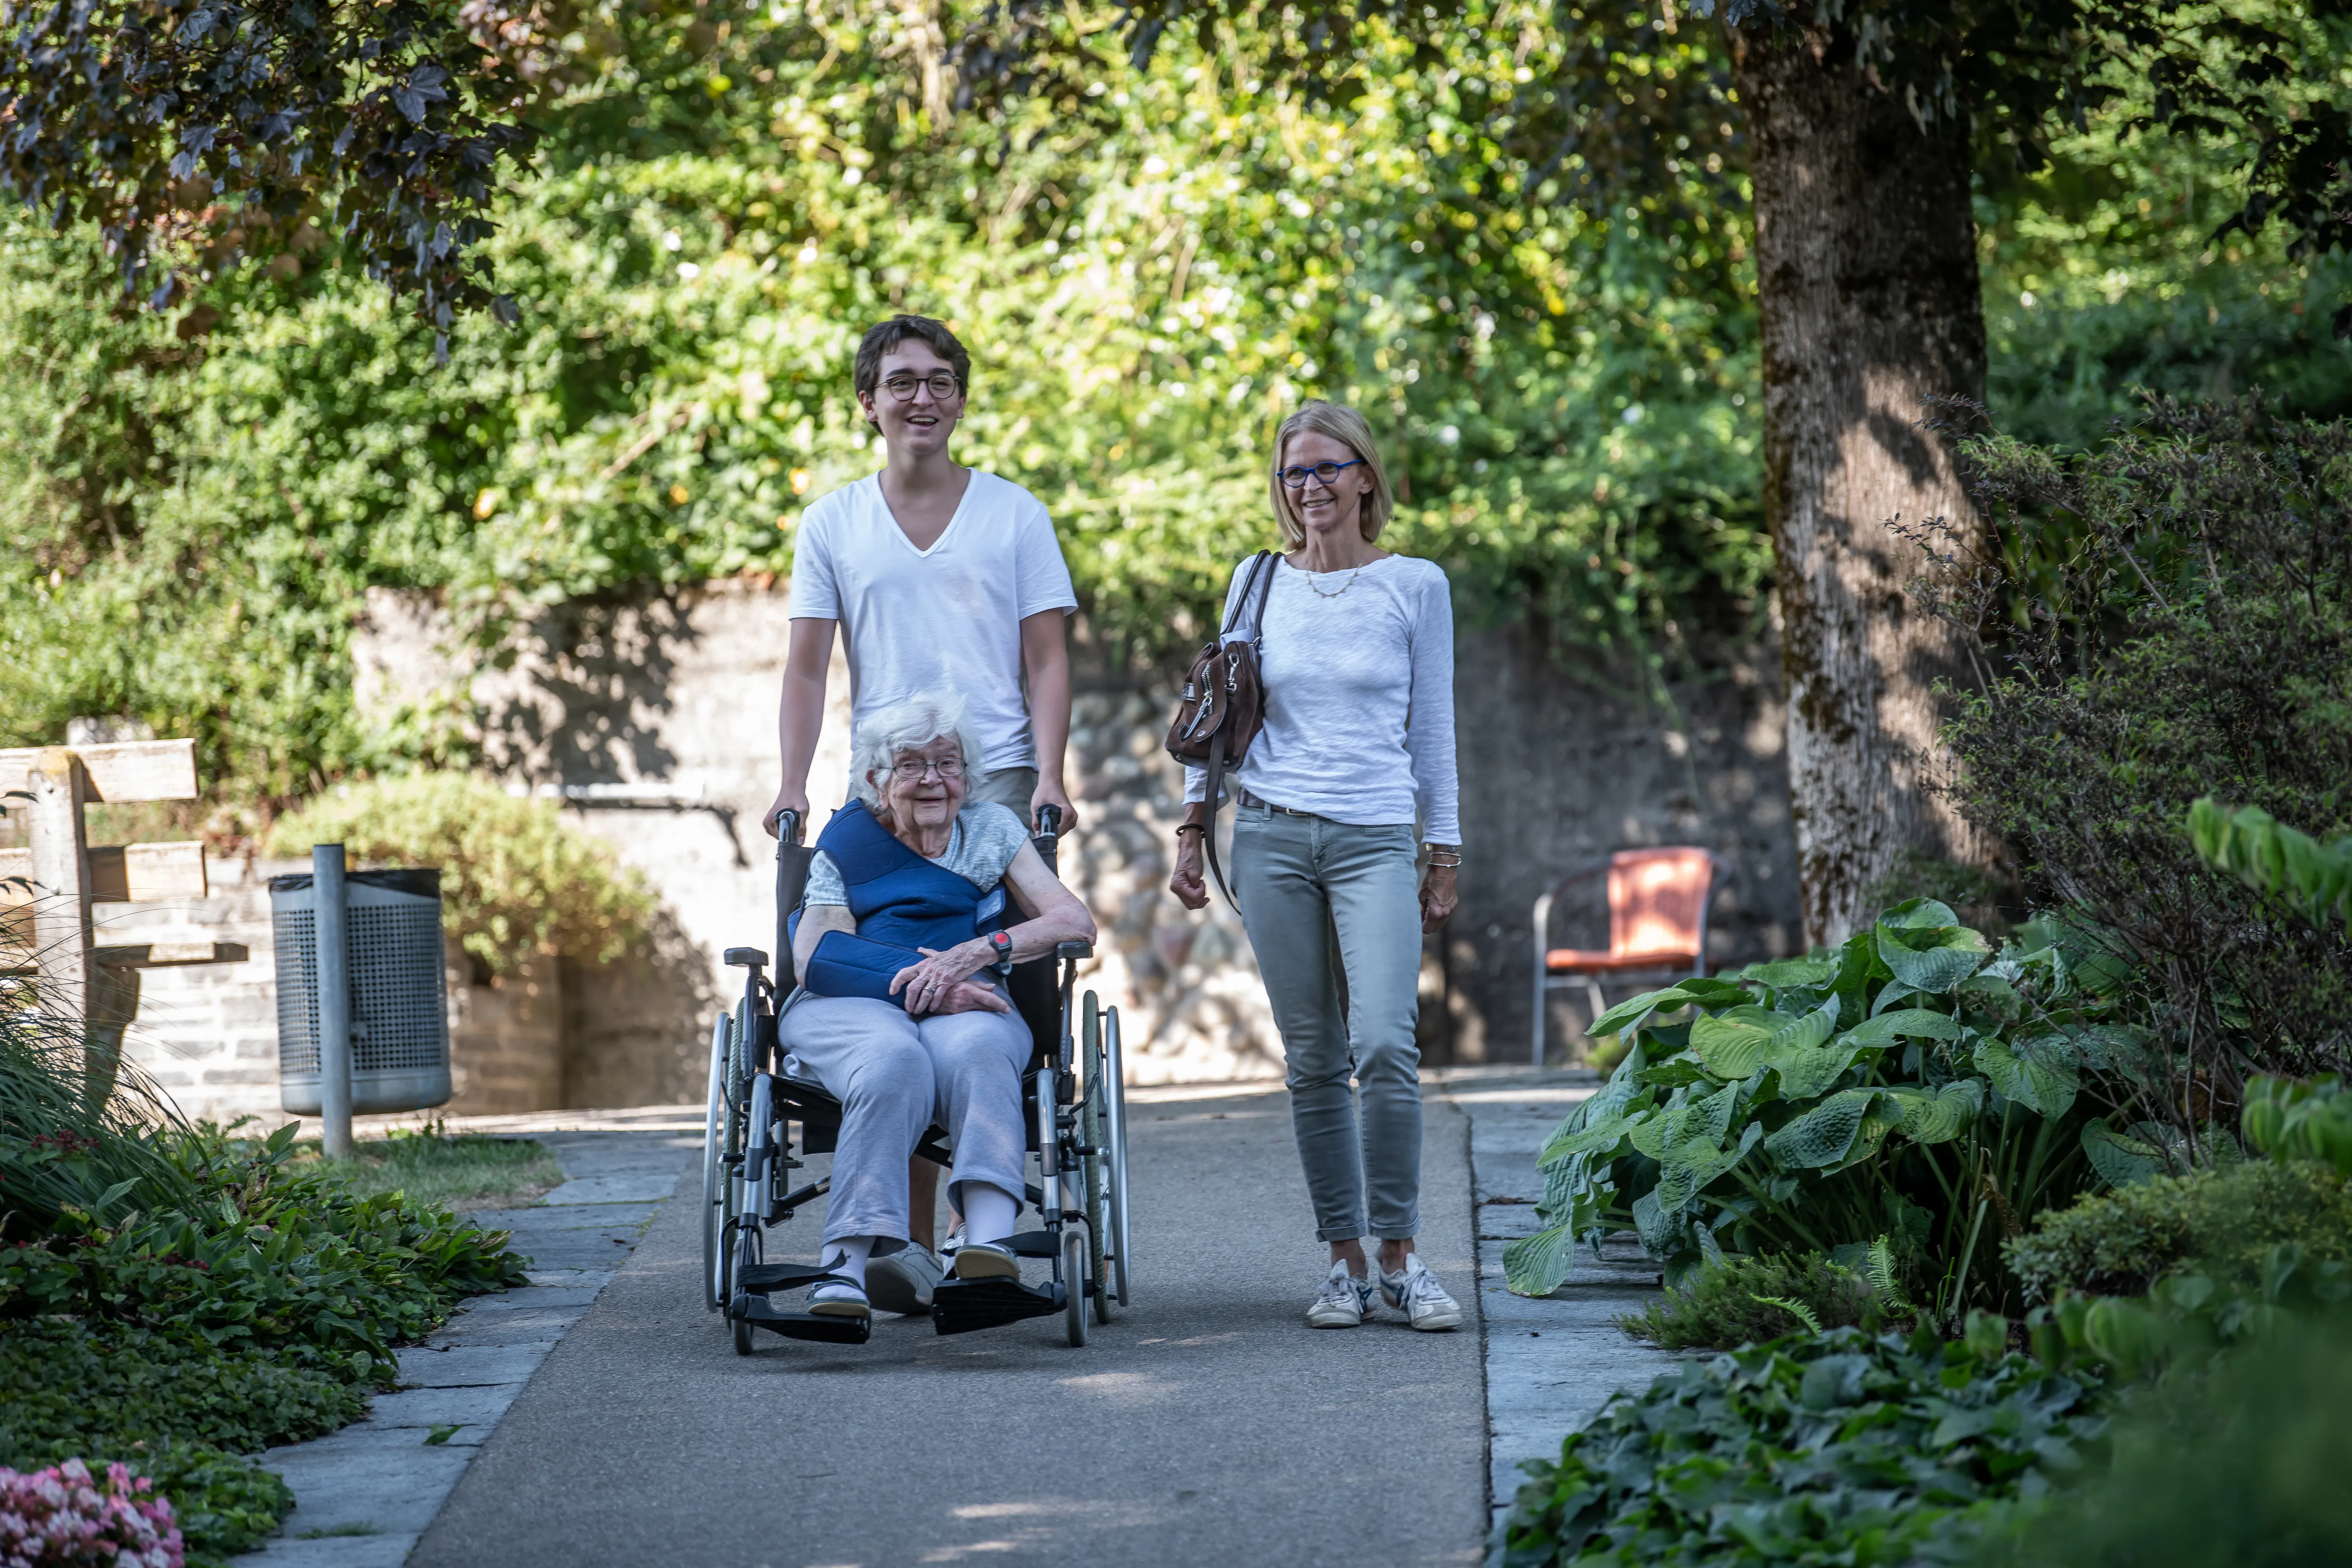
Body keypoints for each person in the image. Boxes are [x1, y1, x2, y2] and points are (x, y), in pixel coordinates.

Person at [764, 314, 1081, 1313]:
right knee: (891, 991)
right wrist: (790, 781)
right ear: (869, 400)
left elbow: (1046, 657)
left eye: (940, 381)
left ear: (959, 399)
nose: (921, 398)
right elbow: (808, 667)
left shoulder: (1013, 515)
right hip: (881, 770)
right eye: (900, 381)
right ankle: (895, 1244)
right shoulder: (834, 523)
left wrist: (1051, 774)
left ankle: (970, 1230)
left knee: (991, 998)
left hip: (989, 773)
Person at [1167, 400, 1465, 1332]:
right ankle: (1341, 1260)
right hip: (1267, 835)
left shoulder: (1414, 585)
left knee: (1383, 1042)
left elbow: (1432, 730)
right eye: (1295, 472)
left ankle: (1400, 1256)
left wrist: (1442, 848)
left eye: (1328, 469)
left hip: (1375, 835)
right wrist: (1189, 828)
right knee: (1311, 1058)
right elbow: (1217, 711)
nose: (1311, 488)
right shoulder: (1256, 581)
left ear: (1366, 476)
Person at [782, 691, 1096, 1320]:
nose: (933, 779)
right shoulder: (848, 839)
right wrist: (925, 979)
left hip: (970, 999)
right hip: (850, 1002)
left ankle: (986, 1244)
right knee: (891, 1057)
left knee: (984, 1048)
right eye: (911, 764)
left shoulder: (991, 828)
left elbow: (1074, 922)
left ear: (967, 774)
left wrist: (979, 951)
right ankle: (845, 1267)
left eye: (948, 763)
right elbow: (816, 955)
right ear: (876, 777)